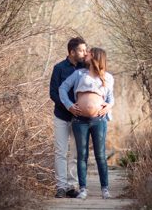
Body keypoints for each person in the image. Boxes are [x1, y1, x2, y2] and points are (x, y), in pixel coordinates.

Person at [59, 47, 114, 200]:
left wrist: (109, 106)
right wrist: (69, 105)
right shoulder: (79, 74)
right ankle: (83, 189)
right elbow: (62, 88)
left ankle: (105, 189)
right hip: (79, 120)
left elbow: (111, 98)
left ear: (95, 56)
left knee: (100, 156)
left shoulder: (108, 77)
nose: (86, 54)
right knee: (82, 155)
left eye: (89, 52)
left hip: (99, 121)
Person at [49, 37, 87, 198]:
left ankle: (72, 186)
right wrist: (68, 106)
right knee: (61, 152)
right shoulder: (59, 68)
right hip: (62, 116)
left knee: (76, 153)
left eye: (86, 50)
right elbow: (53, 93)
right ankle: (61, 187)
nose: (85, 53)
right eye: (81, 50)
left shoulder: (86, 68)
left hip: (80, 119)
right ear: (72, 52)